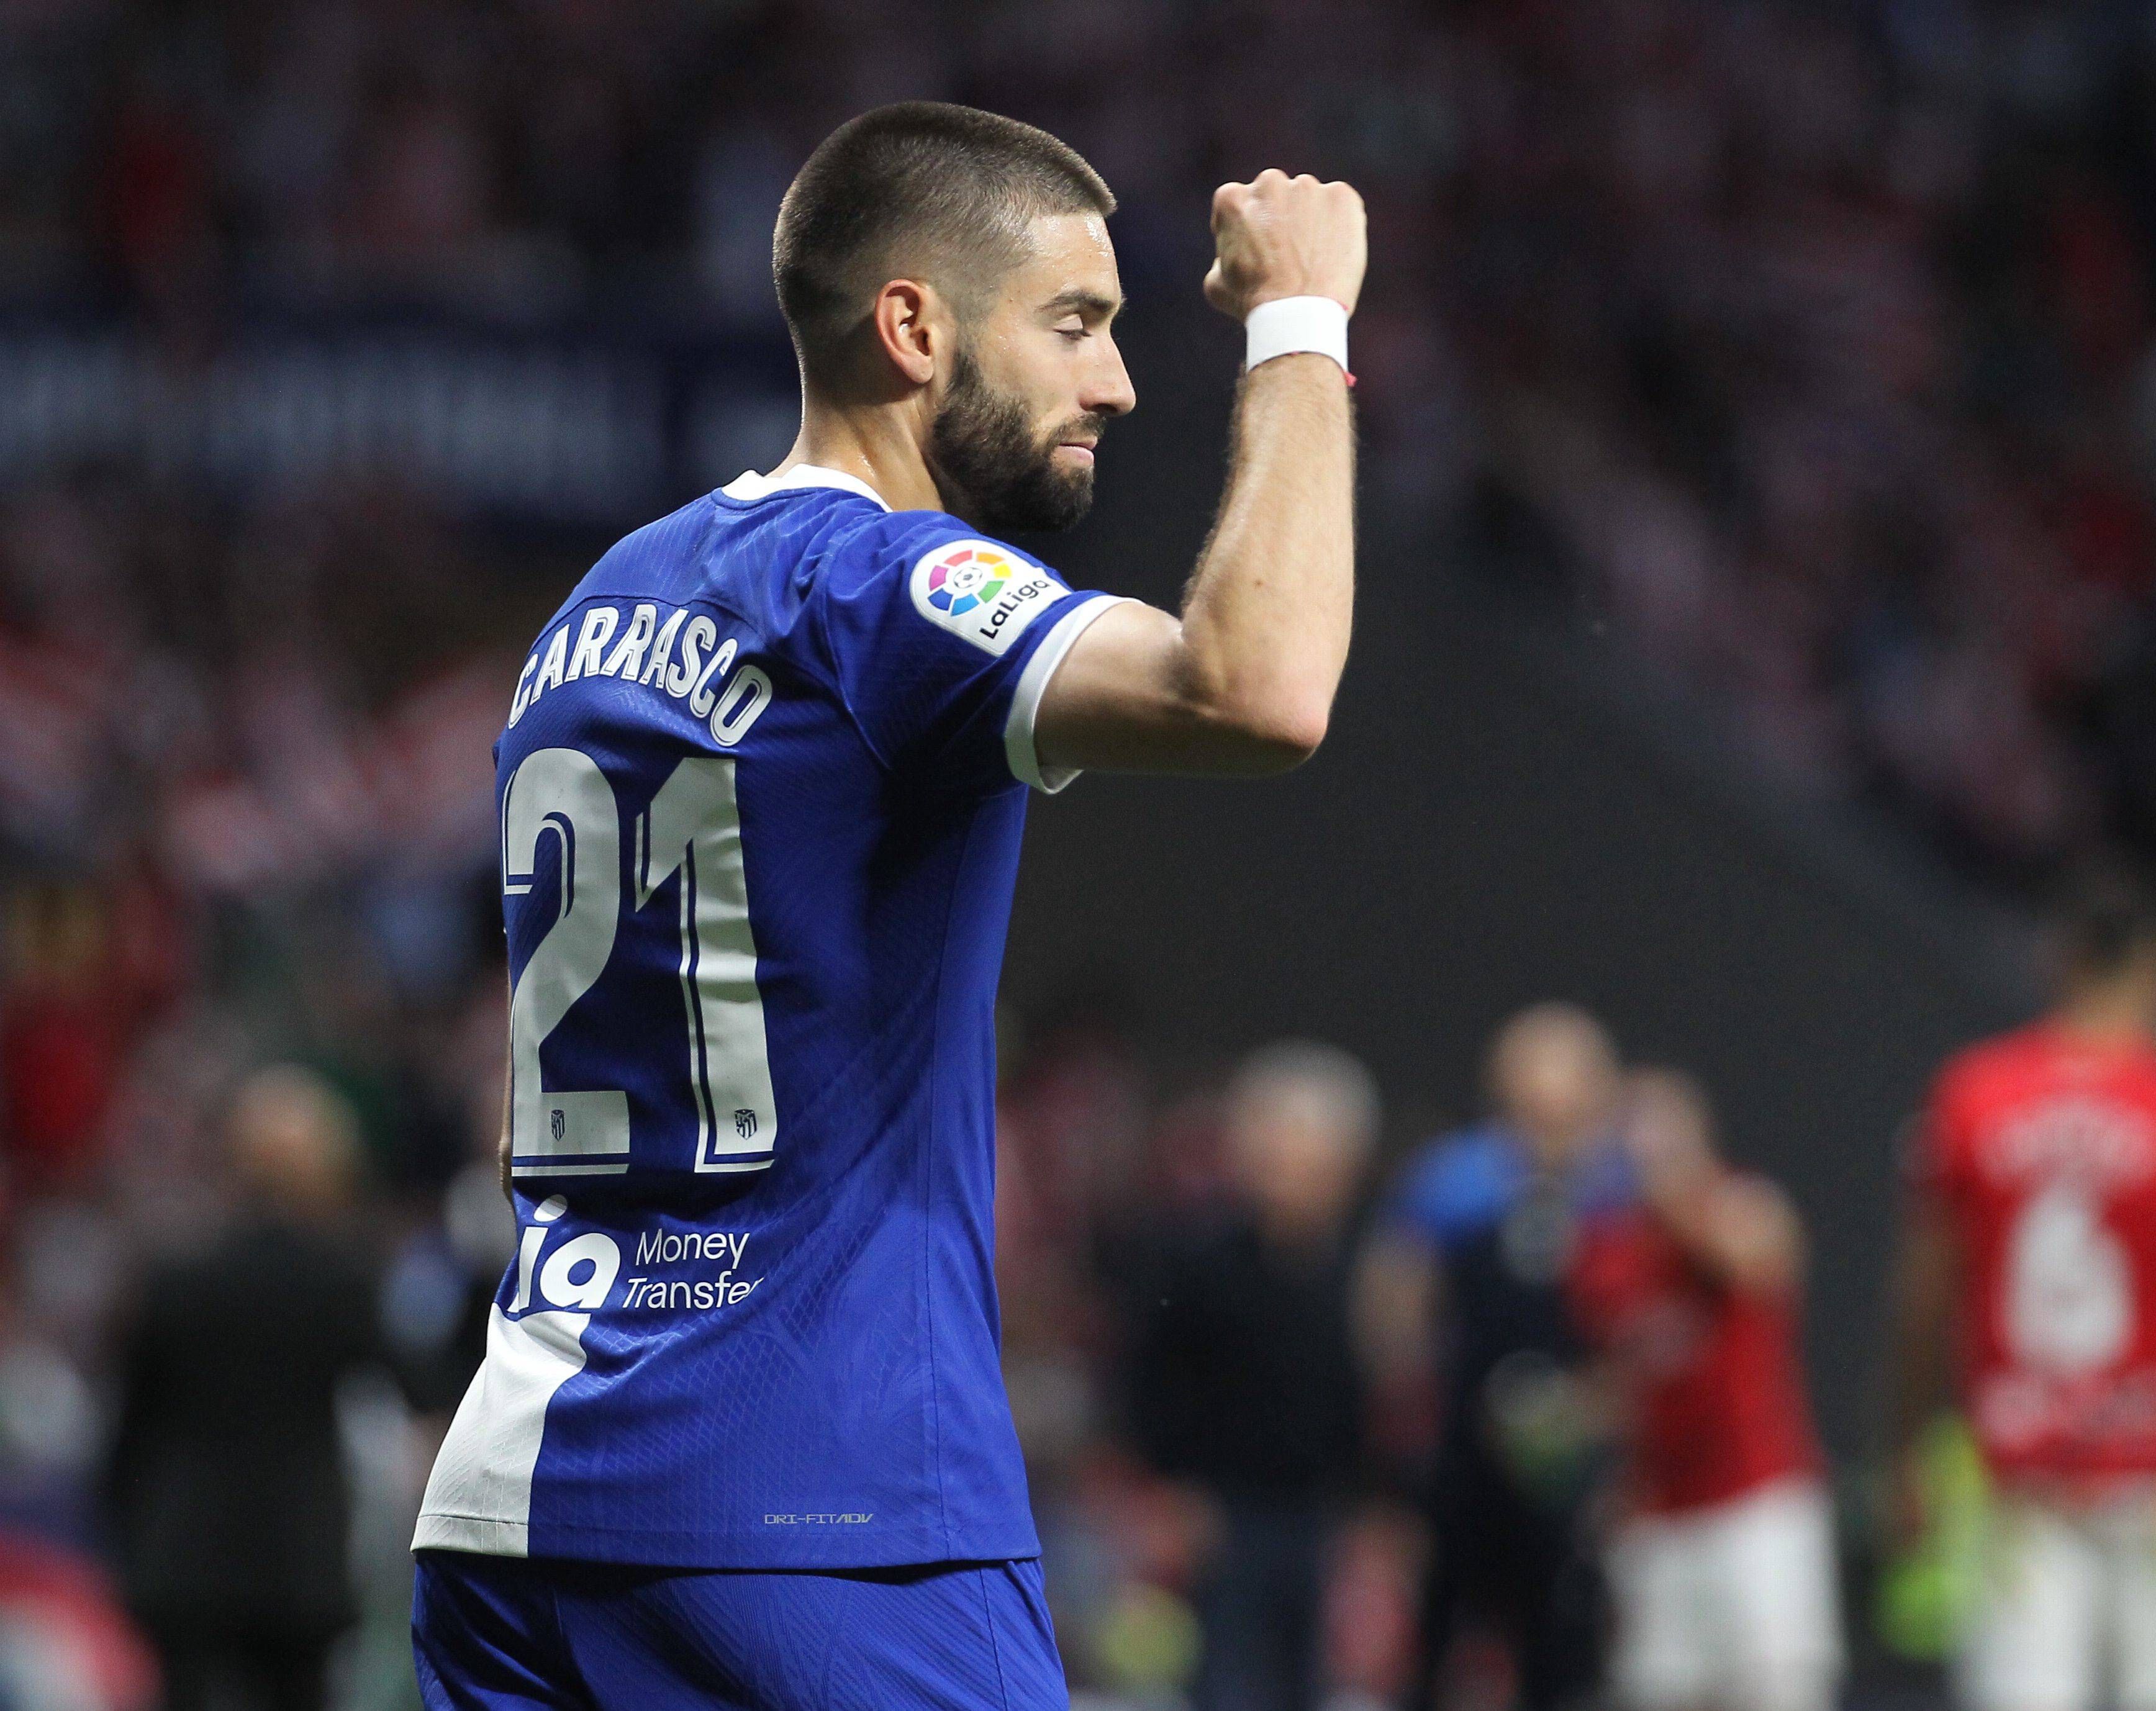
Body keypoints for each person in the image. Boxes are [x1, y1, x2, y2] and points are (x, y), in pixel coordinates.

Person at [410, 102, 1366, 1711]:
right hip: (814, 1511)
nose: (1117, 382)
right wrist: (1300, 323)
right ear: (913, 328)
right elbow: (1255, 687)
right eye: (1075, 323)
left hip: (515, 1507)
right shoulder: (884, 585)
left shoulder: (601, 602)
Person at [1890, 865, 2156, 1711]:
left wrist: (1904, 1445)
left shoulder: (1974, 1093)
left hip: (2020, 1485)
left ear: (2056, 959)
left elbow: (1924, 1296)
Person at [1359, 1002, 1629, 1711]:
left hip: (1575, 1459)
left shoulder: (1619, 1189)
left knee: (1562, 1645)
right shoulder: (1456, 1178)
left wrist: (1606, 1415)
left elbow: (1639, 1331)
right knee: (1441, 1633)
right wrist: (1403, 1427)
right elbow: (1394, 1299)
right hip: (1464, 1447)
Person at [104, 1065, 388, 1711]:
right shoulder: (339, 1281)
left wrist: (127, 1529)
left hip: (185, 1558)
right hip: (299, 1562)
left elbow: (130, 1427)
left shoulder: (177, 1278)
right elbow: (411, 1385)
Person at [1570, 1070, 1841, 1711]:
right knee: (1661, 1689)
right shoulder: (1606, 1250)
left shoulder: (1743, 1204)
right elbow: (1621, 1375)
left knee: (1777, 1688)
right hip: (1659, 1516)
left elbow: (1758, 1261)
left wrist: (1681, 1197)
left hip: (1756, 1504)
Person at [1123, 1042, 1377, 1711]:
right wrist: (1173, 1487)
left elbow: (1370, 1396)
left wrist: (1373, 1505)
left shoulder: (1367, 1267)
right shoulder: (1200, 1262)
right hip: (1224, 1511)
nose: (1287, 1168)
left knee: (1308, 1682)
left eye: (1309, 1152)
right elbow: (1153, 1382)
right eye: (1272, 1145)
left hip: (1322, 1513)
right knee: (1226, 1682)